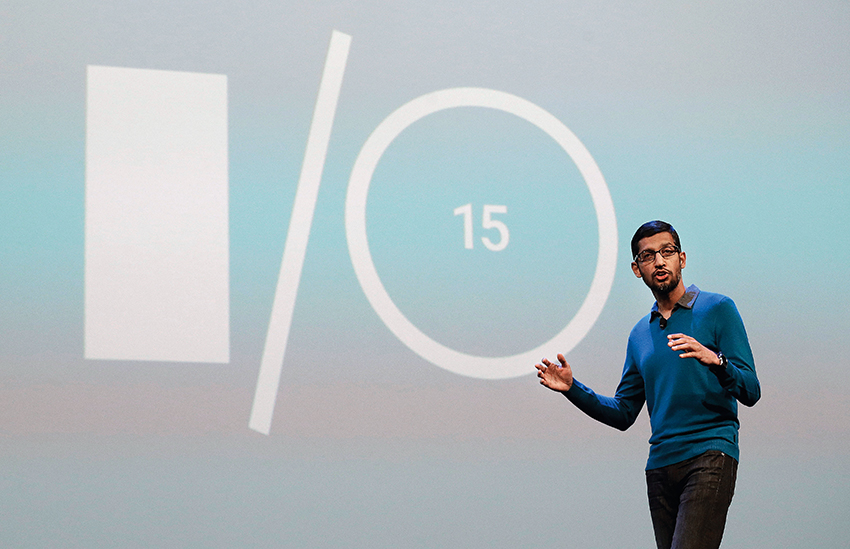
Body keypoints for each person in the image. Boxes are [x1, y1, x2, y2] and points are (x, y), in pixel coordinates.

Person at [535, 220, 760, 549]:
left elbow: (751, 390)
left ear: (682, 258)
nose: (659, 261)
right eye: (648, 256)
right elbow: (624, 412)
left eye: (667, 252)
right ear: (636, 269)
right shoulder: (640, 334)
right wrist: (573, 389)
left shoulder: (718, 309)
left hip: (709, 454)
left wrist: (716, 360)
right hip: (660, 467)